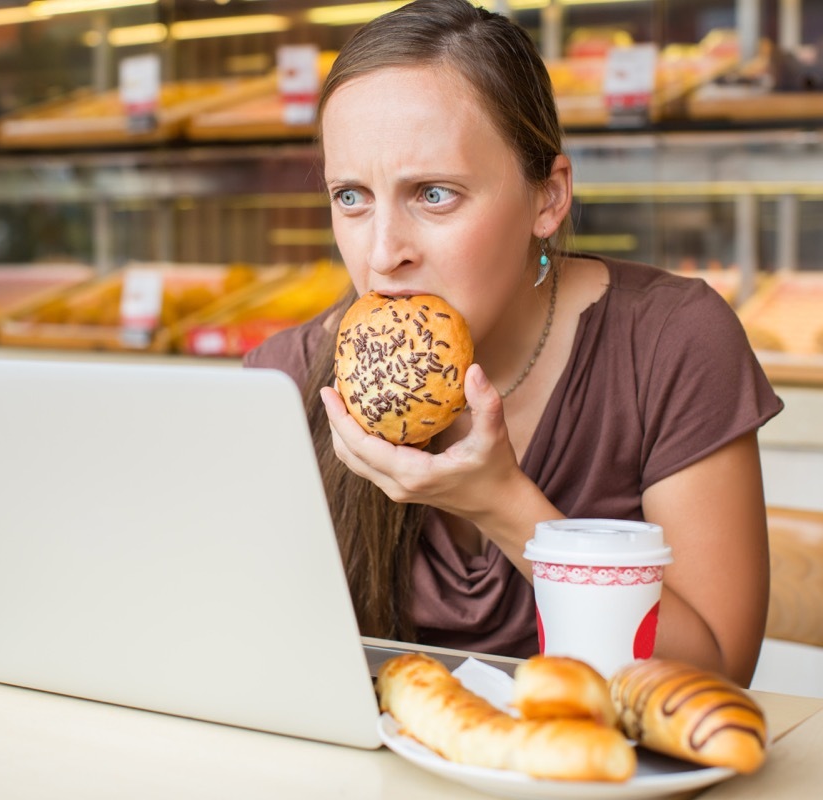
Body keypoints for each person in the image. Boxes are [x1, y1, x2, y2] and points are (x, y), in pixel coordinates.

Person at [244, 0, 782, 687]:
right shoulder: (280, 382)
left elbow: (717, 677)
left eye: (434, 193)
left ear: (547, 199)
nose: (383, 254)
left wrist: (504, 503)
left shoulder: (671, 343)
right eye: (351, 196)